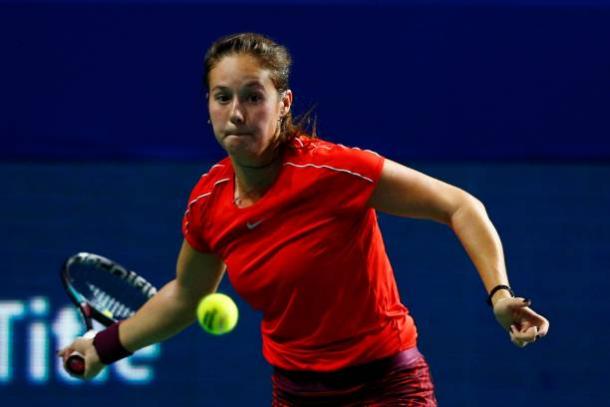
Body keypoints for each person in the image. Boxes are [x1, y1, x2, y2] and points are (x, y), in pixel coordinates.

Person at [59, 32, 550, 406]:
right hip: (296, 392)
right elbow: (187, 296)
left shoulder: (333, 170)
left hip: (386, 382)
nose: (237, 113)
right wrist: (103, 347)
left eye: (254, 96)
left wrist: (500, 294)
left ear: (283, 103)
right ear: (207, 107)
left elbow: (459, 206)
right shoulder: (208, 202)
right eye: (222, 97)